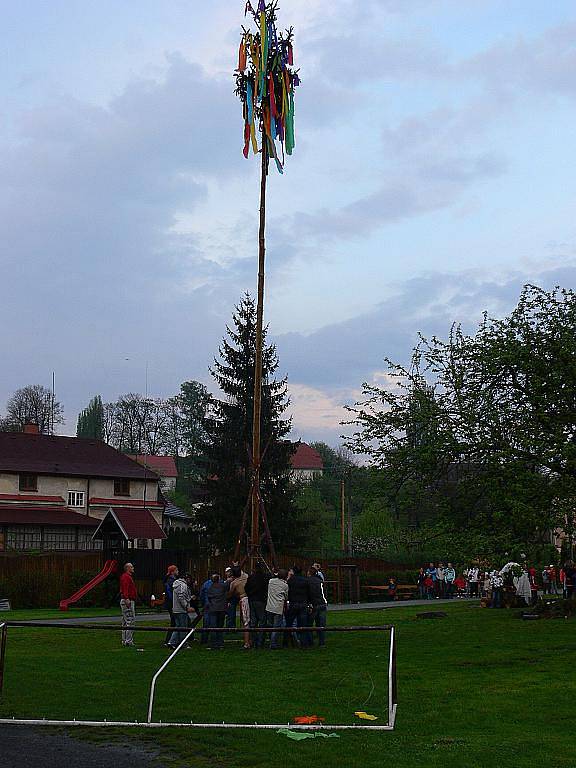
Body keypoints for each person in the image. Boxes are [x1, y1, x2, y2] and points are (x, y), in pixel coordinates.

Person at [284, 565, 311, 648]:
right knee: (303, 625)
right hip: (303, 603)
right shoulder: (305, 580)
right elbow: (309, 593)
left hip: (293, 603)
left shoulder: (290, 581)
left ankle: (285, 642)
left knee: (289, 624)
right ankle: (304, 643)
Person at [168, 573, 195, 649]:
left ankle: (172, 642)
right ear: (187, 579)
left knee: (178, 626)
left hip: (176, 609)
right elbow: (181, 597)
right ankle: (183, 643)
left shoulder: (176, 584)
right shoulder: (183, 585)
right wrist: (186, 607)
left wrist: (189, 598)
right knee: (183, 628)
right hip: (181, 610)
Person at [245, 563, 269, 649]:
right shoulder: (265, 577)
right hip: (261, 601)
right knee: (262, 621)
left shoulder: (251, 577)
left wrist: (250, 595)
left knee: (253, 622)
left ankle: (254, 641)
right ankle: (260, 642)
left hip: (252, 600)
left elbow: (246, 588)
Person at [228, 566, 251, 649]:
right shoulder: (246, 577)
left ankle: (247, 643)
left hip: (244, 600)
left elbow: (230, 594)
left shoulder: (234, 583)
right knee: (248, 621)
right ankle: (250, 641)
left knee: (246, 623)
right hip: (250, 599)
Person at [266, 568, 289, 649]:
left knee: (270, 625)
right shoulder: (285, 585)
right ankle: (273, 644)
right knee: (276, 627)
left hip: (269, 607)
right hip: (278, 608)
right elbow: (286, 597)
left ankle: (271, 641)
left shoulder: (271, 581)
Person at [207, 574, 229, 649]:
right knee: (220, 627)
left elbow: (209, 598)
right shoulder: (223, 586)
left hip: (213, 609)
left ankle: (213, 643)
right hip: (222, 609)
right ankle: (220, 643)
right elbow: (228, 584)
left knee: (213, 627)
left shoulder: (210, 588)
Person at [308, 566, 328, 646]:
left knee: (309, 624)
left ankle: (310, 642)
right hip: (322, 603)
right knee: (321, 625)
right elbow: (323, 592)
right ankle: (322, 642)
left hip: (313, 604)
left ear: (309, 573)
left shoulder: (307, 581)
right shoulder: (320, 581)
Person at [120, 562, 138, 647]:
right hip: (128, 600)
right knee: (130, 620)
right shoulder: (126, 577)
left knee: (125, 621)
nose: (133, 568)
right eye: (132, 567)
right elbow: (125, 588)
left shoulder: (125, 577)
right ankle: (128, 641)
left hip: (127, 599)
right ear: (128, 568)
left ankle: (124, 640)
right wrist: (127, 598)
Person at [163, 565, 178, 647]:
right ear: (173, 571)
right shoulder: (171, 581)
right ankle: (170, 640)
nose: (178, 572)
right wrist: (173, 603)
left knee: (174, 622)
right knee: (175, 622)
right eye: (176, 570)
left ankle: (170, 640)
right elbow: (170, 594)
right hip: (172, 604)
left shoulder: (169, 580)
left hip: (170, 604)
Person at [199, 573, 214, 645]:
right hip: (215, 606)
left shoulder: (205, 584)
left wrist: (203, 604)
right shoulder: (220, 583)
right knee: (215, 624)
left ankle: (204, 639)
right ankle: (214, 640)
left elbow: (201, 595)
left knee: (206, 623)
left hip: (207, 605)